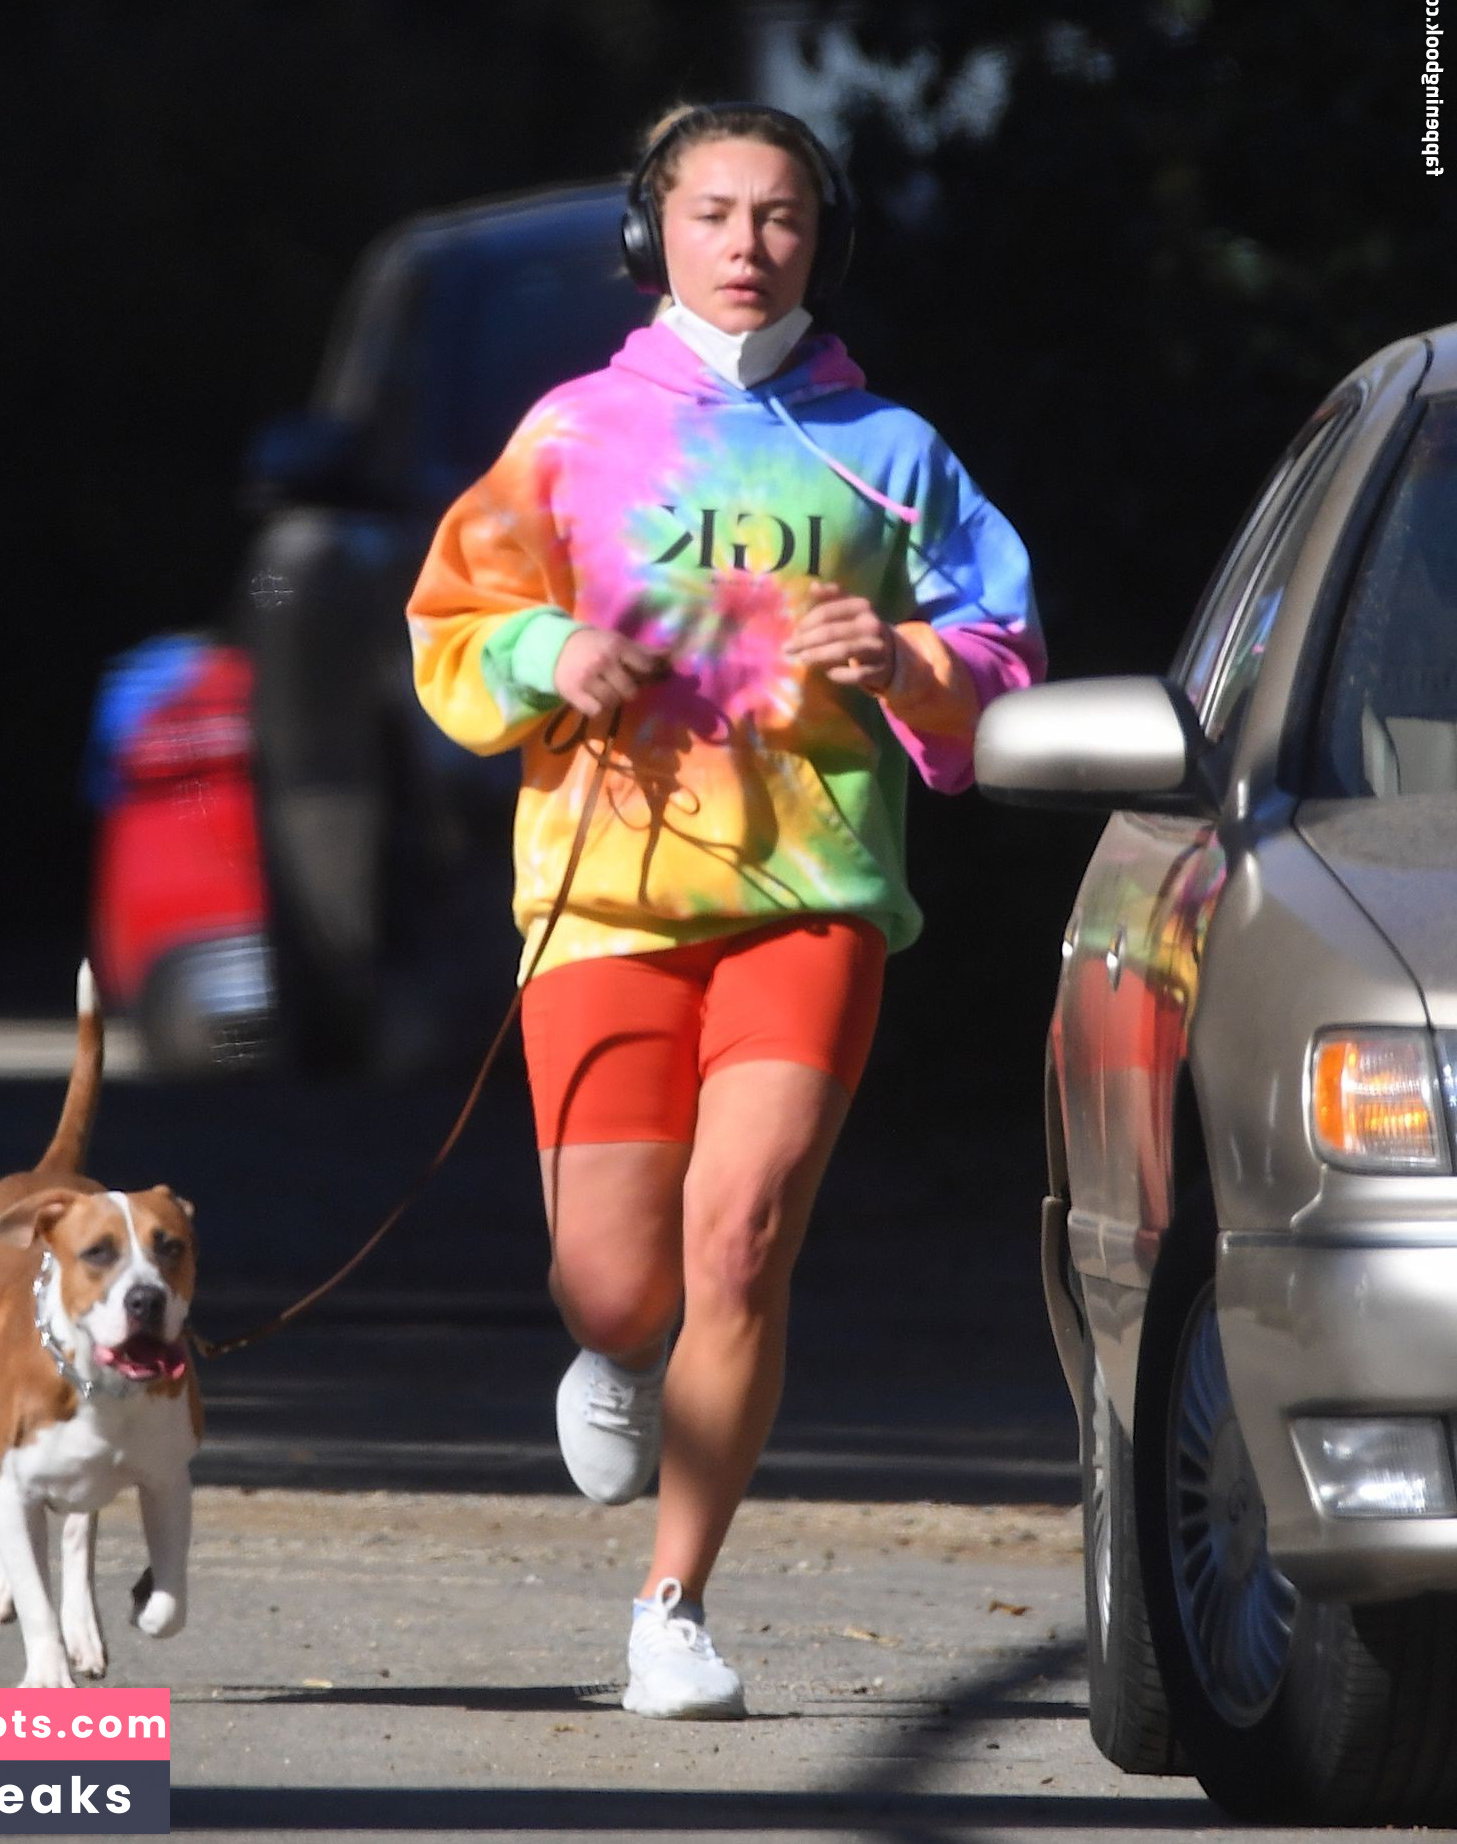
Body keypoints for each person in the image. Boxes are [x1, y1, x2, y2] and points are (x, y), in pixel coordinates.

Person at [407, 101, 1044, 1719]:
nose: (748, 248)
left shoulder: (891, 452)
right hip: (607, 900)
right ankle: (616, 1351)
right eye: (712, 215)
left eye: (778, 219)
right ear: (653, 237)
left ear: (816, 241)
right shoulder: (565, 434)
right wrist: (555, 656)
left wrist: (902, 661)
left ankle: (671, 1608)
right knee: (613, 1281)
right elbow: (452, 624)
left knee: (743, 1238)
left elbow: (999, 657)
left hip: (813, 892)